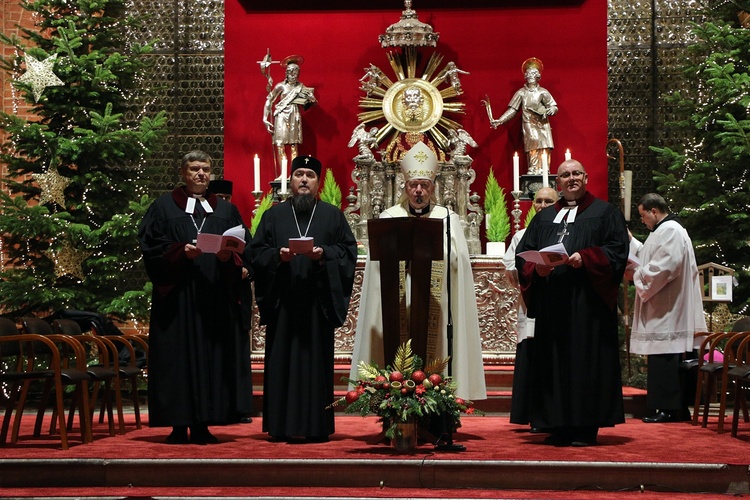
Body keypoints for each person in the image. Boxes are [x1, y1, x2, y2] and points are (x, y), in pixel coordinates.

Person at [351, 141, 487, 404]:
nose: (418, 190)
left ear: (433, 188)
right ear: (405, 187)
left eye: (424, 185)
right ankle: (393, 401)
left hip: (436, 301)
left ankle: (439, 402)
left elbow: (457, 260)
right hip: (397, 301)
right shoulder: (389, 217)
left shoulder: (448, 219)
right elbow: (376, 264)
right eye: (414, 185)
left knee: (437, 347)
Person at [138, 150, 254, 444]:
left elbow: (245, 248)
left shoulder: (226, 211)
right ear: (183, 173)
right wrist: (180, 251)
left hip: (214, 298)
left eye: (205, 169)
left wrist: (230, 256)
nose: (201, 174)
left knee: (211, 360)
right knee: (178, 361)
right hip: (177, 299)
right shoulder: (163, 207)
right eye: (194, 169)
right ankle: (178, 425)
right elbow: (150, 246)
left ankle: (204, 424)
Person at [515, 159, 629, 447]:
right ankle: (557, 423)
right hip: (553, 306)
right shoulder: (543, 218)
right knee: (553, 363)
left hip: (587, 307)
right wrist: (536, 269)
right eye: (565, 175)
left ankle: (584, 427)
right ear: (558, 183)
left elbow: (617, 250)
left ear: (586, 177)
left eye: (577, 173)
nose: (571, 178)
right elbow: (523, 253)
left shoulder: (605, 212)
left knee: (584, 362)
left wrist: (586, 258)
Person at [250, 155, 357, 443]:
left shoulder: (332, 215)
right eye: (299, 174)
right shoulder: (273, 216)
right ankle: (280, 425)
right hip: (284, 302)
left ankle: (316, 425)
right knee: (281, 362)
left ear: (318, 182)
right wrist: (277, 256)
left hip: (316, 305)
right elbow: (256, 253)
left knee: (315, 365)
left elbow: (348, 252)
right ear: (292, 180)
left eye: (310, 175)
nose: (304, 180)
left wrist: (324, 256)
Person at [627, 193, 707, 423]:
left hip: (669, 307)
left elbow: (665, 267)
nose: (642, 220)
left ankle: (670, 408)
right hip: (663, 306)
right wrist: (631, 241)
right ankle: (673, 408)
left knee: (665, 357)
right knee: (661, 356)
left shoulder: (671, 230)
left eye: (643, 215)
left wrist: (636, 275)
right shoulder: (662, 231)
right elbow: (646, 255)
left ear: (654, 211)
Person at [503, 186, 558, 428]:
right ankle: (534, 413)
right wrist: (532, 268)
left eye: (549, 201)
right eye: (539, 201)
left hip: (559, 303)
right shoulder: (521, 235)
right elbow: (510, 267)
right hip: (531, 303)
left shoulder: (564, 232)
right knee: (532, 356)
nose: (543, 205)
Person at [206, 178, 254, 424]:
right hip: (211, 293)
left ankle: (239, 406)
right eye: (219, 198)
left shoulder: (233, 218)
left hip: (234, 297)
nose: (224, 203)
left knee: (236, 350)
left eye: (227, 198)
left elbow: (252, 252)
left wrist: (246, 268)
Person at [490, 58, 558, 175]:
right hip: (529, 123)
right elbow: (512, 109)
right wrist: (500, 120)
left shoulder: (543, 92)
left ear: (538, 76)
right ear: (525, 76)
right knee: (533, 143)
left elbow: (553, 106)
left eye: (533, 73)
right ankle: (533, 168)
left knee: (544, 145)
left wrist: (551, 110)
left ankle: (544, 168)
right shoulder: (521, 93)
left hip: (542, 123)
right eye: (528, 73)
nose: (530, 75)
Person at [263, 57, 317, 176]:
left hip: (294, 115)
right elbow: (269, 101)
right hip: (281, 115)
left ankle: (293, 173)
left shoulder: (301, 87)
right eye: (291, 72)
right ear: (286, 73)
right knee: (280, 144)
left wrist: (311, 99)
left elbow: (310, 104)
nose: (293, 75)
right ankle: (283, 174)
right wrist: (265, 118)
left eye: (295, 72)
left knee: (293, 145)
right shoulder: (280, 86)